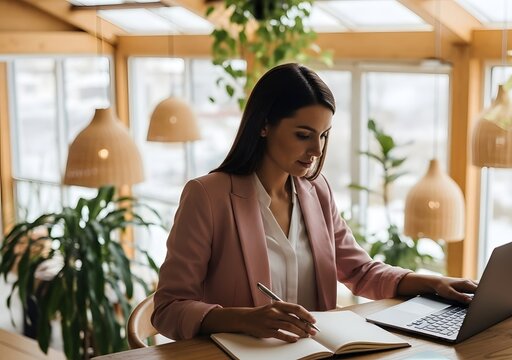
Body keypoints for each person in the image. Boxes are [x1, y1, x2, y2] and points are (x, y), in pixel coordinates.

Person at [151, 63, 478, 342]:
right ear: (264, 125)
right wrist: (242, 320)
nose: (317, 150)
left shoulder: (316, 191)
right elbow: (168, 308)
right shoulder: (207, 196)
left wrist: (433, 283)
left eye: (323, 135)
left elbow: (360, 272)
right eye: (303, 135)